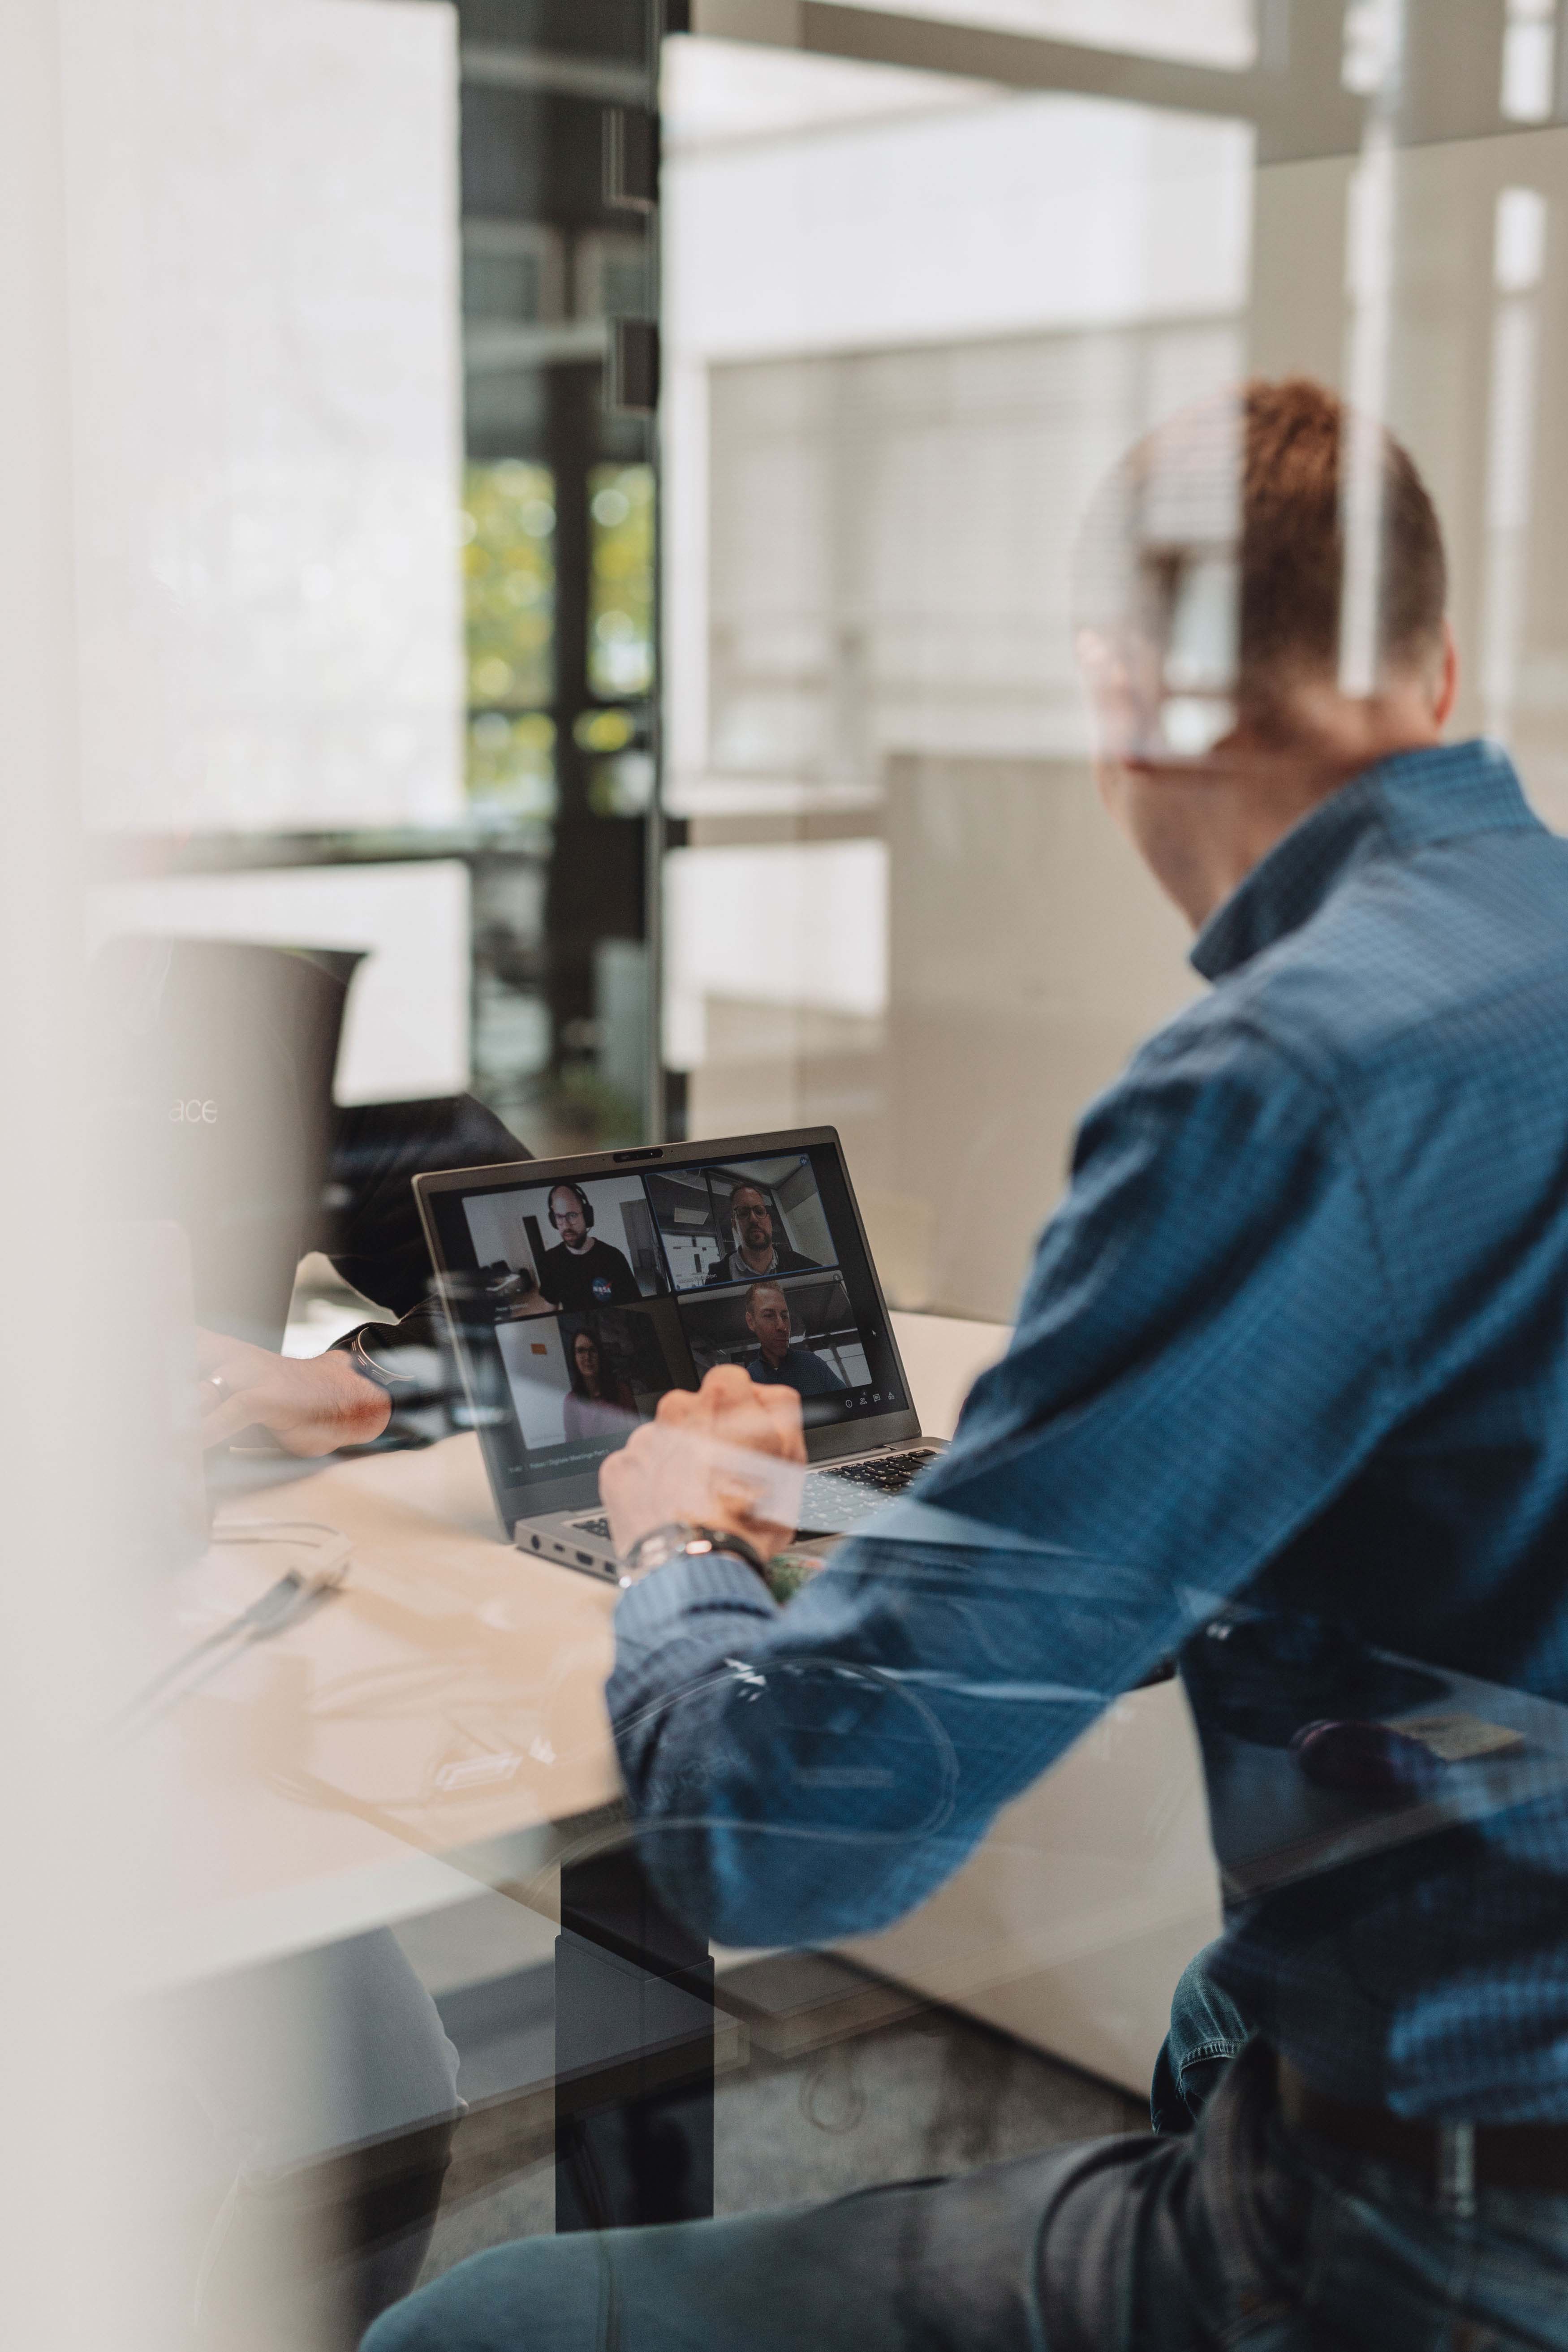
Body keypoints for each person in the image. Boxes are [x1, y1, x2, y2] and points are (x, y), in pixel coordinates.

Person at [366, 376, 1568, 2352]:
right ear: (1438, 665)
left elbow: (792, 1829)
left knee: (467, 2328)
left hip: (1444, 2225)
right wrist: (962, 1527)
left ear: (1118, 696)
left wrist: (675, 1537)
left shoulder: (1280, 1078)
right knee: (1213, 2009)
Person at [535, 1180, 642, 1310]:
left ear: (587, 1216)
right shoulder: (549, 1261)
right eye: (559, 1217)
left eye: (573, 1215)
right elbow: (551, 1305)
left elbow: (635, 1305)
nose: (566, 1225)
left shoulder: (614, 1257)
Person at [740, 1279, 847, 1400]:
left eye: (785, 1316)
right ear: (751, 1321)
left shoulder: (813, 1364)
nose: (782, 1326)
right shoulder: (747, 1383)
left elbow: (849, 1406)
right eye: (769, 1315)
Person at [702, 1179, 822, 1283]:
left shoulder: (802, 1265)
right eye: (743, 1213)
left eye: (759, 1211)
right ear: (734, 1224)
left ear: (769, 1221)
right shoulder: (717, 1275)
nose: (754, 1219)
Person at [561, 1323, 638, 1442]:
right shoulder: (571, 1401)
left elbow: (637, 1435)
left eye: (592, 1350)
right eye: (581, 1351)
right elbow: (574, 1446)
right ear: (574, 1357)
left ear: (600, 1355)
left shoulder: (622, 1391)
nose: (587, 1357)